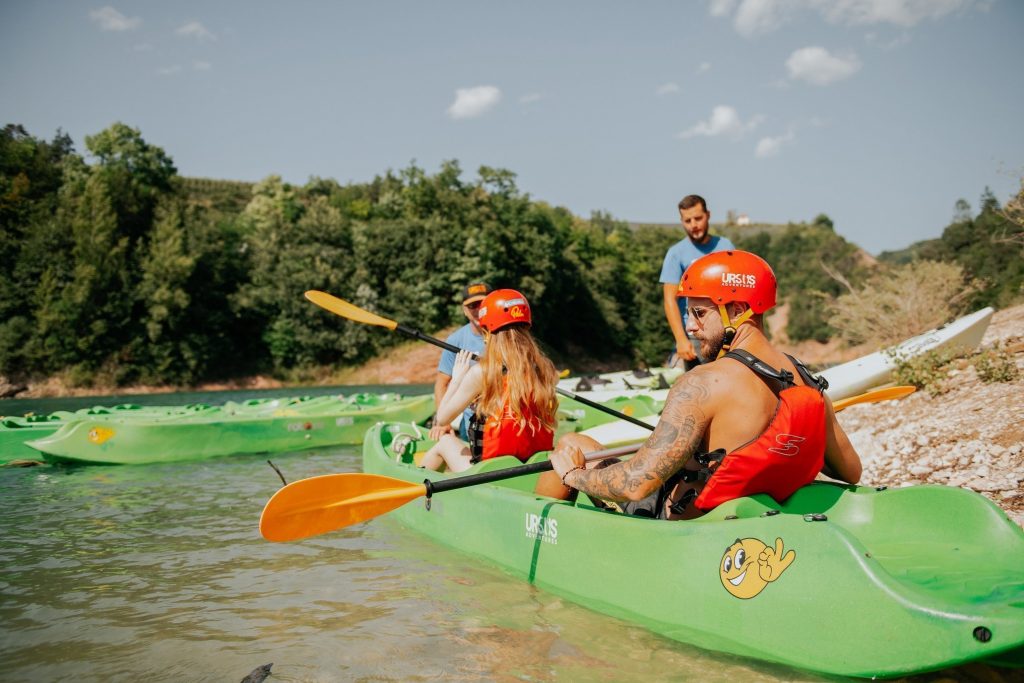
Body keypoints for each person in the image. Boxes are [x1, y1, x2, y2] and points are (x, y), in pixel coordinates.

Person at [550, 250, 862, 519]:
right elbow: (850, 471)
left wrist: (573, 475)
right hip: (758, 525)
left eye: (699, 313)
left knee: (570, 446)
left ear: (738, 312)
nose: (689, 326)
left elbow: (636, 484)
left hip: (684, 528)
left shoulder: (703, 382)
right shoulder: (806, 382)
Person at [420, 289, 560, 473]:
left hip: (491, 472)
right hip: (535, 466)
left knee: (445, 442)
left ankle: (415, 491)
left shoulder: (482, 372)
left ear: (487, 332)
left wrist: (457, 378)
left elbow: (443, 418)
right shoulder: (544, 368)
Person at [660, 195, 736, 371]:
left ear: (708, 215)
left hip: (726, 331)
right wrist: (680, 339)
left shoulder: (726, 246)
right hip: (695, 335)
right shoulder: (676, 254)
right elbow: (669, 300)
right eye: (687, 220)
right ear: (682, 221)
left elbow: (737, 291)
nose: (693, 224)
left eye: (698, 218)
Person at [431, 282, 491, 443]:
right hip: (472, 423)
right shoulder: (455, 341)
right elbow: (442, 384)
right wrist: (444, 422)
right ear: (465, 310)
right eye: (473, 306)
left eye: (483, 304)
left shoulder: (507, 336)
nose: (478, 310)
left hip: (503, 420)